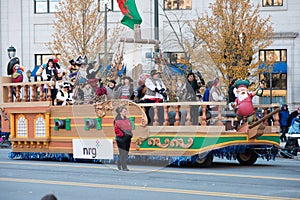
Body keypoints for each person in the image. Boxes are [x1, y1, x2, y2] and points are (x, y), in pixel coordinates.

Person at [114, 106, 132, 171]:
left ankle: (119, 162)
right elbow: (116, 129)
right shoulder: (117, 120)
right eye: (124, 111)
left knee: (126, 152)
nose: (125, 113)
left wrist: (130, 134)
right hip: (121, 138)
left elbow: (129, 127)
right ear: (120, 112)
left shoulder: (127, 119)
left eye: (125, 111)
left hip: (127, 137)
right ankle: (124, 166)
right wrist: (122, 134)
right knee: (123, 152)